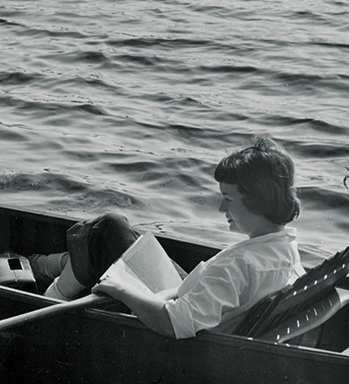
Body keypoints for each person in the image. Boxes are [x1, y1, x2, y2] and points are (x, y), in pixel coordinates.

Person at [29, 137, 305, 339]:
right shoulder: (285, 250)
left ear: (257, 201)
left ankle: (47, 294)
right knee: (123, 235)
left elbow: (173, 322)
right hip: (185, 296)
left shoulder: (237, 268)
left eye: (228, 199)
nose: (221, 209)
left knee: (108, 229)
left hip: (169, 323)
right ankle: (51, 266)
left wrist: (121, 290)